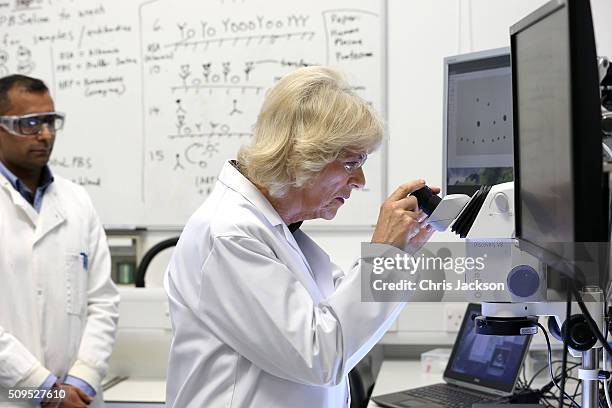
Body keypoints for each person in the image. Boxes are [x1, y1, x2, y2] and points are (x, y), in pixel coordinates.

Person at [164, 66, 437, 407]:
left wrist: (401, 250)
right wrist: (384, 253)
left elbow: (337, 319)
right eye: (352, 163)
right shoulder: (229, 233)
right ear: (302, 156)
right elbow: (322, 356)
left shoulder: (279, 232)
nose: (361, 180)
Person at [0, 75, 119, 407]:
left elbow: (103, 301)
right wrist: (45, 389)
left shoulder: (76, 200)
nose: (45, 134)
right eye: (30, 123)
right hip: (12, 397)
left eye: (50, 121)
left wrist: (83, 379)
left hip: (79, 396)